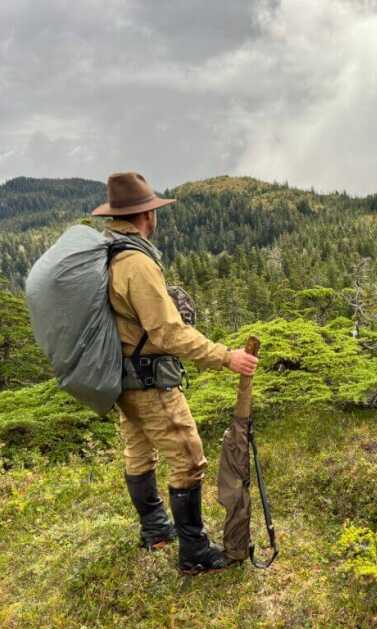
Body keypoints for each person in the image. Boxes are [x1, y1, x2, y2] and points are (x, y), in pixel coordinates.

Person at [91, 171, 258, 574]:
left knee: (138, 450)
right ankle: (195, 552)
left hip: (121, 379)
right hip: (149, 381)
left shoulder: (107, 253)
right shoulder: (136, 262)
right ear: (147, 214)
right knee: (187, 458)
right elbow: (167, 331)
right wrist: (225, 356)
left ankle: (154, 529)